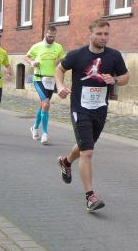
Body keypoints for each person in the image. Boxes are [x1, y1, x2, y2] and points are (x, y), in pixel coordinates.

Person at [56, 19, 130, 212]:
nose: (103, 37)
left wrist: (114, 79)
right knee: (87, 152)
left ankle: (66, 161)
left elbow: (125, 77)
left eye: (106, 34)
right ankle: (90, 197)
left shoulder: (114, 55)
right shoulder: (77, 55)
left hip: (100, 109)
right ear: (90, 34)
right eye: (99, 34)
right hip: (80, 108)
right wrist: (60, 86)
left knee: (84, 146)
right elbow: (59, 69)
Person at [25, 25, 65, 145]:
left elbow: (62, 60)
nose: (52, 38)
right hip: (39, 78)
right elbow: (27, 57)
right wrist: (32, 62)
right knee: (46, 104)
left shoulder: (58, 47)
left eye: (54, 36)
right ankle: (45, 133)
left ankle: (35, 128)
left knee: (43, 105)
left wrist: (59, 62)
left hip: (51, 80)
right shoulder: (37, 46)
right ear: (45, 34)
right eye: (50, 36)